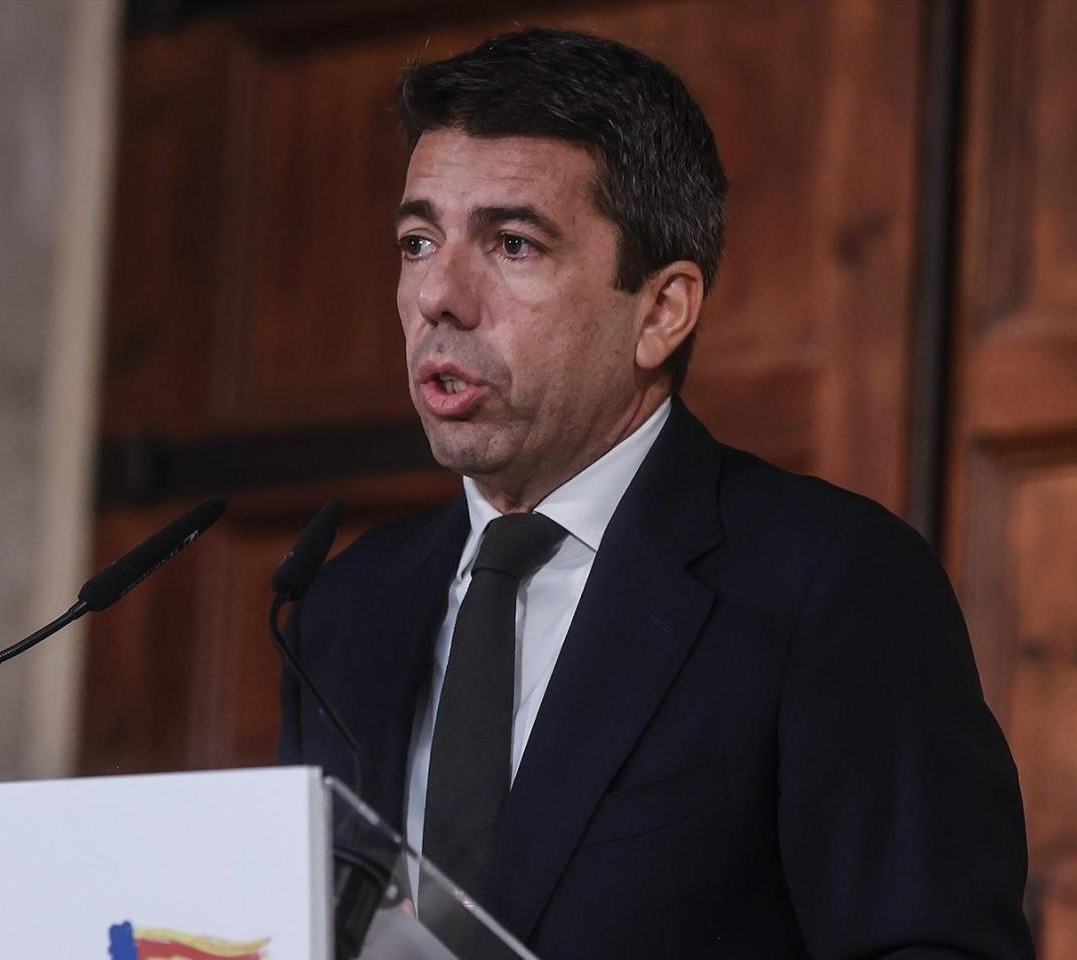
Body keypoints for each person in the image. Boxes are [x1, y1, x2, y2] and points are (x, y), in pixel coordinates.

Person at [278, 28, 1032, 958]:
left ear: (663, 310)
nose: (440, 295)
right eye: (418, 240)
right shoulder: (341, 611)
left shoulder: (829, 584)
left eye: (512, 244)